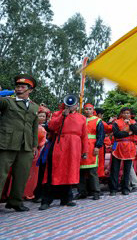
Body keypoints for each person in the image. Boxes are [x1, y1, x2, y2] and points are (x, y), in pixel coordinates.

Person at [40, 99, 88, 210]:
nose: (70, 106)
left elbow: (84, 136)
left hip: (74, 147)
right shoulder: (57, 114)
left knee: (69, 171)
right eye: (68, 104)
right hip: (59, 145)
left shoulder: (81, 118)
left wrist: (84, 151)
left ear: (77, 105)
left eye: (73, 104)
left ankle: (66, 199)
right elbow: (51, 127)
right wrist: (62, 116)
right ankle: (46, 200)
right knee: (53, 171)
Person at [0, 75, 39, 212]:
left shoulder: (34, 106)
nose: (19, 89)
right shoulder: (7, 102)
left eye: (22, 87)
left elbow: (34, 127)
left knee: (22, 174)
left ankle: (15, 202)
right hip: (7, 143)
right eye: (17, 86)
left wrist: (34, 145)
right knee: (1, 173)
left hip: (26, 145)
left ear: (30, 90)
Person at [109, 107, 137, 196]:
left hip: (129, 147)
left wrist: (130, 124)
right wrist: (129, 133)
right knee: (115, 169)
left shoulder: (133, 122)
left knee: (127, 170)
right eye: (125, 113)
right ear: (122, 114)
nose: (127, 115)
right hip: (119, 146)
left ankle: (125, 188)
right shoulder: (116, 122)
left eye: (128, 113)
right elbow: (117, 134)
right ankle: (113, 189)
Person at [77, 103, 105, 200]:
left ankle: (96, 192)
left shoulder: (98, 121)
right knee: (80, 171)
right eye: (86, 109)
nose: (88, 111)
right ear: (84, 110)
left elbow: (101, 135)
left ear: (93, 110)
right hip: (80, 147)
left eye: (90, 109)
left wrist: (98, 146)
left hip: (92, 146)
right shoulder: (80, 119)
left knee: (93, 171)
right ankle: (82, 192)